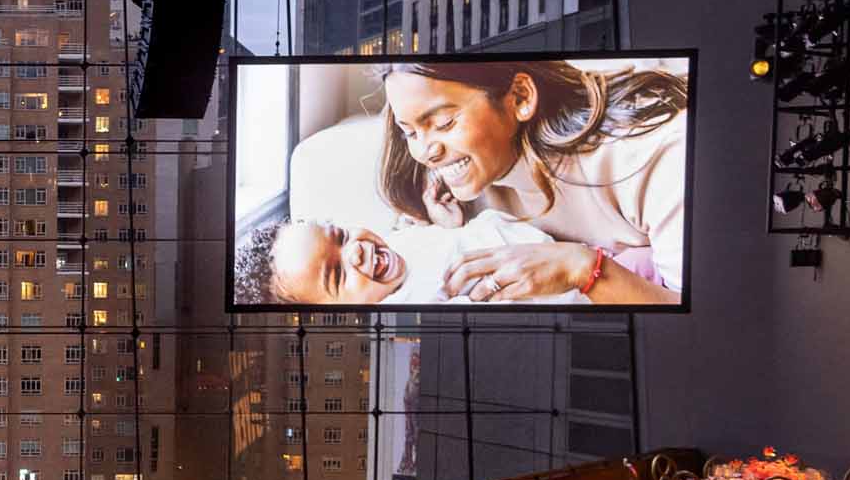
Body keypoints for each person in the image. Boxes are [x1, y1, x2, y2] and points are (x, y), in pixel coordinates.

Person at [372, 58, 689, 304]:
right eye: (410, 132)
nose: (425, 152)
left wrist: (583, 268)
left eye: (444, 122)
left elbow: (708, 322)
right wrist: (448, 229)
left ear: (520, 97)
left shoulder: (648, 153)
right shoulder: (451, 189)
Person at [235, 212, 579, 307]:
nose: (354, 250)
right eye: (338, 275)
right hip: (576, 285)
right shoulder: (412, 305)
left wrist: (439, 223)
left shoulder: (394, 246)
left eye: (340, 235)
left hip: (554, 237)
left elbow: (434, 247)